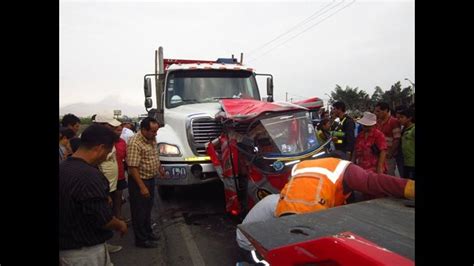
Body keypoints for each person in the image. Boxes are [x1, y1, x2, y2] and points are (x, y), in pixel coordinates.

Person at [235, 156, 414, 259]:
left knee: (289, 253)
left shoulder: (301, 167)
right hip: (301, 225)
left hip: (285, 219)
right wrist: (407, 187)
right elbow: (373, 181)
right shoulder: (345, 169)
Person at [59, 124, 127, 266]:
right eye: (108, 152)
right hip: (84, 253)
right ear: (100, 148)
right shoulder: (90, 176)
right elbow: (104, 219)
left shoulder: (63, 167)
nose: (106, 157)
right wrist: (119, 224)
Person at [127, 117, 164, 248]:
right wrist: (142, 187)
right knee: (139, 212)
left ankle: (148, 232)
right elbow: (132, 168)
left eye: (156, 131)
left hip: (150, 179)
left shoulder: (151, 138)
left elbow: (154, 155)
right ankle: (141, 240)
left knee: (148, 209)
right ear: (143, 130)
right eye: (153, 131)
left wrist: (159, 168)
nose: (155, 134)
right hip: (139, 182)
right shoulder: (134, 143)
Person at [94, 114, 124, 253]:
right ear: (103, 125)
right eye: (111, 127)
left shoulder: (107, 139)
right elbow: (94, 165)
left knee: (107, 212)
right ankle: (101, 245)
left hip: (110, 183)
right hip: (100, 185)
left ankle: (104, 244)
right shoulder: (92, 141)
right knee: (99, 214)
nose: (113, 129)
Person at [374, 102, 402, 176]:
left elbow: (397, 140)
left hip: (388, 156)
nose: (376, 113)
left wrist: (390, 153)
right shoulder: (377, 122)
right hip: (378, 155)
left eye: (378, 111)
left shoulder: (394, 122)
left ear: (386, 110)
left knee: (388, 177)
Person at [397, 107, 415, 180]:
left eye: (402, 117)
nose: (399, 119)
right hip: (406, 162)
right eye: (398, 117)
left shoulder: (413, 130)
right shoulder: (404, 129)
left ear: (409, 118)